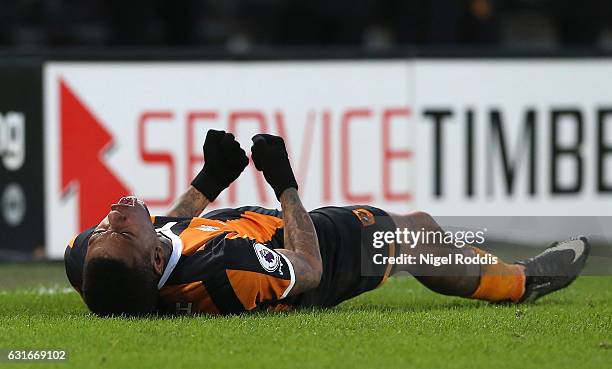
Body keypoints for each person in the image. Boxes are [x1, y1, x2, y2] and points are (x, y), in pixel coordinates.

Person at [64, 130, 590, 316]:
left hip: (253, 232)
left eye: (105, 231)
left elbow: (166, 233)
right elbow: (309, 267)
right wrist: (284, 181)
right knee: (412, 231)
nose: (110, 219)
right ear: (153, 259)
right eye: (122, 228)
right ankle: (523, 282)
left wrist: (209, 183)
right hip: (306, 257)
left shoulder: (92, 262)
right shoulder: (230, 268)